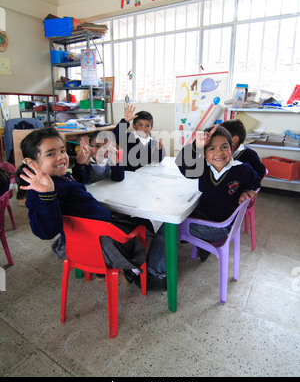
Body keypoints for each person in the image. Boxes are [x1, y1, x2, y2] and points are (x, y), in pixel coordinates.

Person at [16, 127, 166, 289]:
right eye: (51, 154)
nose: (61, 157)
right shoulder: (41, 191)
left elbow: (77, 188)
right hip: (101, 239)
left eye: (62, 151)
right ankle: (138, 272)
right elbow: (45, 232)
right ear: (32, 162)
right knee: (154, 226)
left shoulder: (58, 178)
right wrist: (47, 195)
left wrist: (80, 163)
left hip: (86, 235)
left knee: (141, 221)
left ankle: (116, 270)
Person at [175, 125, 261, 259]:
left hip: (219, 227)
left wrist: (248, 191)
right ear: (203, 153)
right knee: (174, 215)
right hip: (202, 216)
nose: (219, 152)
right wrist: (195, 146)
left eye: (224, 147)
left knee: (169, 228)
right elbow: (182, 164)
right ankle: (201, 245)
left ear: (232, 148)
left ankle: (158, 273)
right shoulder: (202, 167)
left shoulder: (242, 169)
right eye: (211, 148)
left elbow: (255, 181)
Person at [113, 105, 166, 171]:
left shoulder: (154, 143)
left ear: (151, 127)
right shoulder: (126, 138)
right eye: (140, 125)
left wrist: (159, 150)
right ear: (133, 126)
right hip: (127, 174)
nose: (143, 128)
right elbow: (113, 137)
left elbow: (157, 159)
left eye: (147, 126)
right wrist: (125, 121)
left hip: (144, 175)